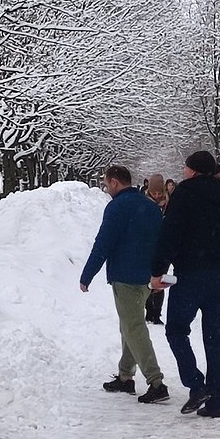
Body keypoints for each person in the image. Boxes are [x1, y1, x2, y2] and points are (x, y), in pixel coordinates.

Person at [152, 150, 220, 419]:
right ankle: (217, 403)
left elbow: (169, 234)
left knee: (176, 330)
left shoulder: (184, 194)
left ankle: (196, 385)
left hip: (191, 275)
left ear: (193, 171)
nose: (182, 171)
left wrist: (157, 271)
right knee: (215, 341)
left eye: (185, 167)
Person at [80, 165, 170, 404]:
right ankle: (125, 376)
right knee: (130, 325)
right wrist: (160, 272)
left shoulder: (116, 208)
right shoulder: (150, 208)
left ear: (114, 182)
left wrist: (87, 275)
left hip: (125, 277)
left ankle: (156, 382)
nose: (106, 187)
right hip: (147, 278)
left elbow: (103, 244)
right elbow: (162, 243)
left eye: (106, 183)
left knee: (133, 328)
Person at [143, 174, 169, 325]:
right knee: (148, 281)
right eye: (154, 193)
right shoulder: (143, 204)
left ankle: (157, 313)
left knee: (161, 280)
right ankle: (149, 311)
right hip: (147, 247)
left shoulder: (169, 203)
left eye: (160, 193)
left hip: (163, 246)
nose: (157, 196)